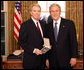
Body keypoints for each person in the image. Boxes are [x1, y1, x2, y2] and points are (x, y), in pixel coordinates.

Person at [46, 4, 78, 69]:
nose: (54, 13)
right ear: (50, 13)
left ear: (60, 12)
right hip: (52, 61)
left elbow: (73, 41)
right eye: (52, 11)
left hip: (67, 60)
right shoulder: (47, 26)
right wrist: (46, 58)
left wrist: (74, 57)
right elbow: (46, 44)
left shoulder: (69, 24)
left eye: (56, 11)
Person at [18, 4, 46, 69]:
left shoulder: (43, 24)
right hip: (30, 61)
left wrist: (48, 45)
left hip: (42, 61)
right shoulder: (25, 25)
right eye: (34, 11)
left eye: (38, 11)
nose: (37, 13)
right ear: (31, 12)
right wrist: (34, 50)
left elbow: (44, 39)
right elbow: (21, 42)